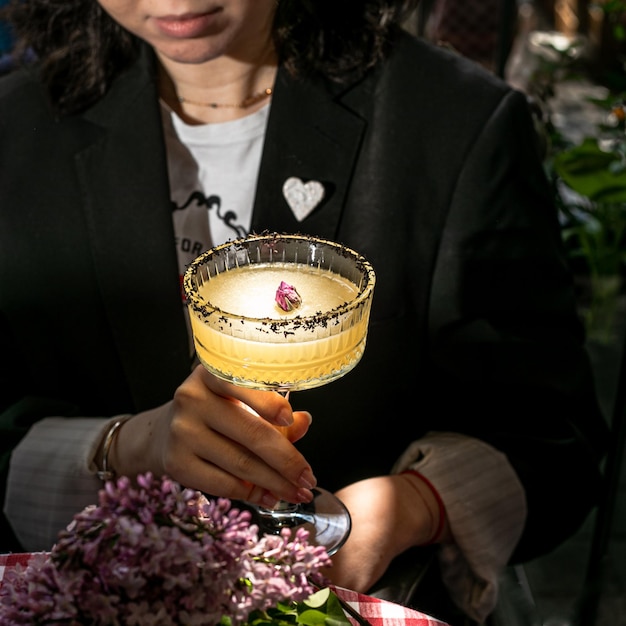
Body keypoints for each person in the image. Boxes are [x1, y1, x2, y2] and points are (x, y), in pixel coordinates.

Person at [0, 1, 609, 623]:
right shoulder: (16, 128)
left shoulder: (453, 122)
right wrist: (119, 446)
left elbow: (553, 438)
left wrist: (413, 505)